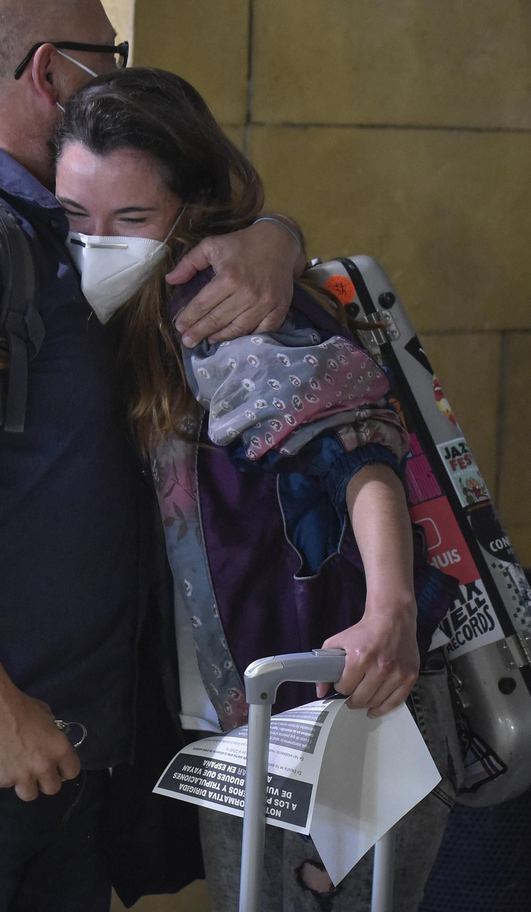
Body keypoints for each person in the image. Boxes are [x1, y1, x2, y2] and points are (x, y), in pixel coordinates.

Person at [0, 0, 309, 912]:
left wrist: (275, 239)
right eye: (107, 58)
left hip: (65, 743)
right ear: (50, 72)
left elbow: (207, 212)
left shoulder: (70, 229)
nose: (117, 77)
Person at [51, 66, 462, 911]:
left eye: (132, 218)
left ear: (192, 207)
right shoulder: (143, 315)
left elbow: (356, 449)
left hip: (338, 709)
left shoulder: (220, 306)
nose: (98, 242)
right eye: (75, 215)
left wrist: (389, 611)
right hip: (261, 720)